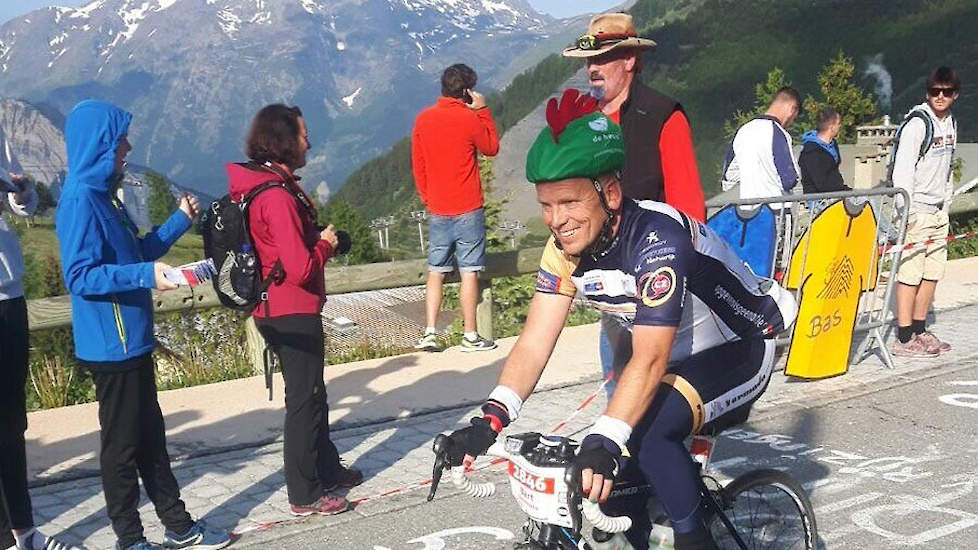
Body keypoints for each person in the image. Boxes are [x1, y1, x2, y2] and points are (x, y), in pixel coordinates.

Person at [439, 89, 797, 550]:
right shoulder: (563, 251)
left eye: (569, 202)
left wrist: (606, 438)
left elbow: (649, 360)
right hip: (675, 357)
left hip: (742, 345)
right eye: (546, 206)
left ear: (609, 192)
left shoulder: (656, 240)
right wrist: (490, 418)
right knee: (610, 492)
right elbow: (533, 343)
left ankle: (694, 539)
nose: (556, 219)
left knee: (642, 437)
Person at [56, 100, 230, 550]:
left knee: (151, 440)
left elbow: (138, 253)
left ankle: (177, 527)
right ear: (99, 146)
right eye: (120, 142)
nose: (128, 148)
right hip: (111, 348)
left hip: (131, 340)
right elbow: (79, 276)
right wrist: (142, 276)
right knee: (122, 450)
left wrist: (180, 221)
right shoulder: (79, 200)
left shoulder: (104, 198)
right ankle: (130, 540)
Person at [561, 12, 706, 396]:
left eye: (604, 58)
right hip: (608, 285)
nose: (593, 68)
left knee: (661, 398)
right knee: (618, 398)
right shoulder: (582, 121)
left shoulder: (663, 115)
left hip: (658, 279)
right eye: (589, 60)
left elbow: (689, 206)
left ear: (630, 60)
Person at [228, 104, 362, 517]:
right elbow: (301, 266)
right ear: (285, 141)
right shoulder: (277, 197)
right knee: (304, 400)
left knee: (312, 393)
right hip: (291, 309)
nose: (309, 142)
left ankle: (326, 467)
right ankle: (305, 493)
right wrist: (326, 243)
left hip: (277, 308)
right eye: (303, 135)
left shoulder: (263, 187)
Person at [0, 128, 78, 550]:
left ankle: (24, 532)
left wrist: (21, 193)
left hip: (10, 290)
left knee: (13, 422)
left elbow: (25, 206)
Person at [411, 63, 500, 352]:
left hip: (438, 208)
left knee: (435, 271)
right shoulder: (469, 118)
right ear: (466, 91)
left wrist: (428, 197)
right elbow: (491, 147)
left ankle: (429, 333)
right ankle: (470, 336)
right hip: (468, 207)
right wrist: (483, 110)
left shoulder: (423, 119)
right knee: (469, 272)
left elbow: (419, 165)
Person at [891, 67, 960, 357]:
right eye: (935, 91)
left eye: (946, 91)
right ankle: (904, 337)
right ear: (927, 92)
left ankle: (920, 329)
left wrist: (947, 202)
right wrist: (907, 213)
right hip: (916, 209)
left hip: (937, 210)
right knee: (910, 273)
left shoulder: (950, 124)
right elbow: (902, 172)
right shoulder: (918, 124)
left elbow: (947, 169)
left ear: (955, 94)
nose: (940, 96)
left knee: (932, 272)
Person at [799, 106, 848, 194]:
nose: (840, 126)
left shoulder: (833, 145)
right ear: (832, 127)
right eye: (838, 123)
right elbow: (821, 183)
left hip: (836, 194)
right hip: (819, 200)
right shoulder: (811, 152)